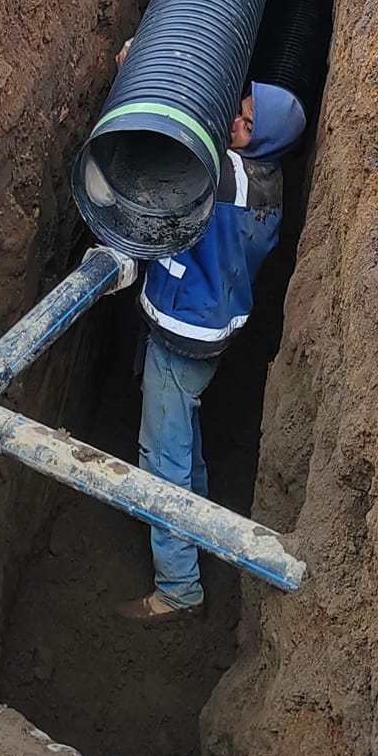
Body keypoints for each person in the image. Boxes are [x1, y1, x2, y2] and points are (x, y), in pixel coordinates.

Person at [119, 76, 307, 621]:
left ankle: (178, 587)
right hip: (207, 331)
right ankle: (195, 521)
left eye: (247, 123)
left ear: (265, 140)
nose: (233, 123)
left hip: (183, 336)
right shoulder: (265, 178)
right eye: (239, 112)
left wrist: (146, 71)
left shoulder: (224, 179)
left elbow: (165, 149)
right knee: (183, 435)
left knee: (163, 455)